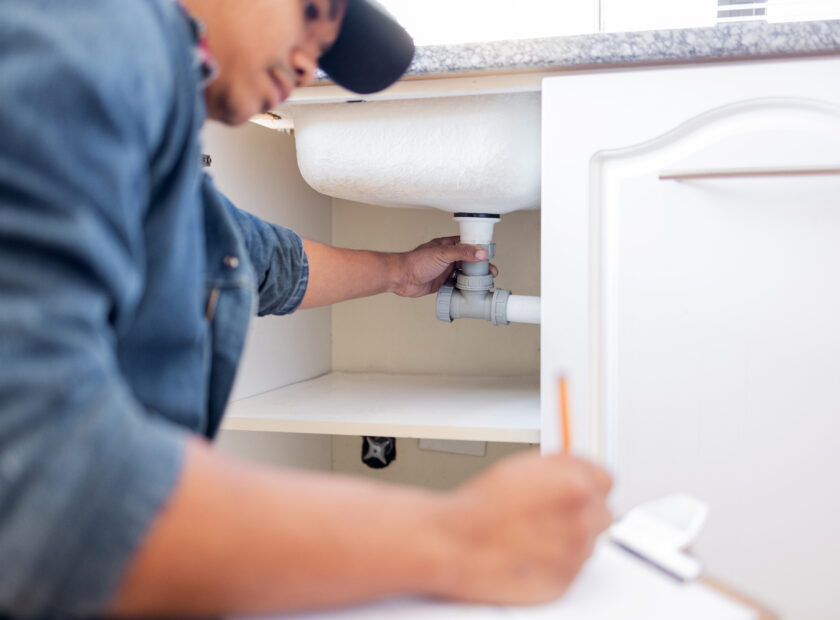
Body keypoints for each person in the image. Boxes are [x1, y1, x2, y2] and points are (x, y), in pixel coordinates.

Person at [0, 0, 612, 616]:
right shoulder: (87, 39)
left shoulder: (139, 96)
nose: (304, 62)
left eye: (322, 51)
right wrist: (464, 535)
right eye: (309, 13)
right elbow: (45, 488)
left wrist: (399, 272)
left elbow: (244, 256)